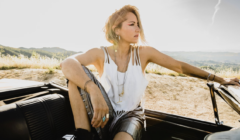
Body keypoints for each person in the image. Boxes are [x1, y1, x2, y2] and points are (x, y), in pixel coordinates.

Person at [60, 5, 240, 140]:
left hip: (131, 116)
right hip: (105, 112)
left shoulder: (144, 53)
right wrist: (93, 90)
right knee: (76, 73)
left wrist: (219, 79)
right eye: (132, 24)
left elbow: (180, 67)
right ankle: (81, 134)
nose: (138, 29)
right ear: (117, 29)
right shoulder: (100, 53)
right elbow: (67, 63)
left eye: (138, 24)